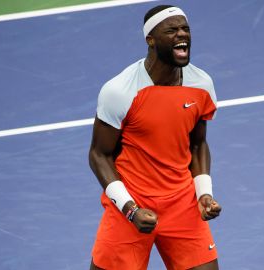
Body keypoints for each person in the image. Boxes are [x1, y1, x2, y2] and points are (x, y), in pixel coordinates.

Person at [88, 4, 222, 270]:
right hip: (132, 203)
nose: (181, 35)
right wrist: (129, 209)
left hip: (182, 203)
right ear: (150, 39)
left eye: (185, 29)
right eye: (171, 30)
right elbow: (99, 155)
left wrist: (203, 194)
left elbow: (197, 145)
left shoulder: (201, 85)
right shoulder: (120, 91)